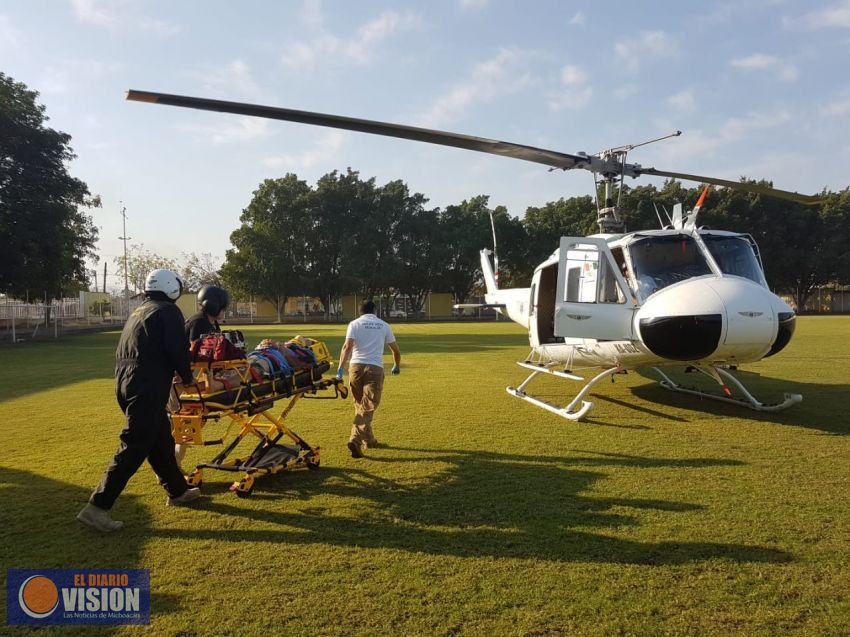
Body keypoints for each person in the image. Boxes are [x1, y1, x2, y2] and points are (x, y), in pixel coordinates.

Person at [77, 269, 201, 533]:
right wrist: (188, 377)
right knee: (135, 444)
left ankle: (178, 491)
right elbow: (176, 348)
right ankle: (97, 507)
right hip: (146, 384)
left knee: (160, 439)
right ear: (171, 287)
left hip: (126, 381)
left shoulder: (139, 311)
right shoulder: (167, 311)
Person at [336, 300, 401, 458]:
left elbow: (347, 347)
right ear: (374, 310)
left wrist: (340, 369)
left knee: (361, 406)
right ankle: (355, 439)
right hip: (374, 369)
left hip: (355, 368)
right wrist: (396, 365)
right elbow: (395, 349)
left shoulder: (354, 324)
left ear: (360, 312)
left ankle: (369, 440)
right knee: (368, 406)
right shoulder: (383, 325)